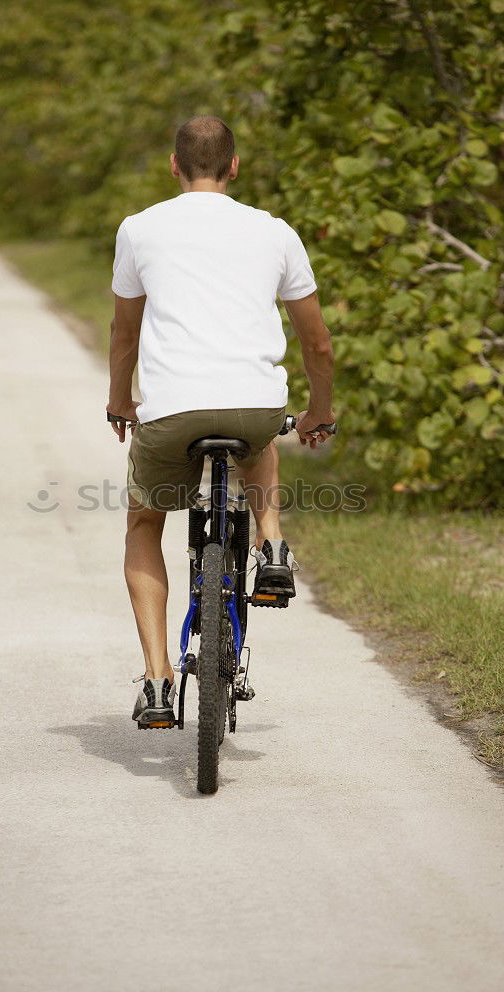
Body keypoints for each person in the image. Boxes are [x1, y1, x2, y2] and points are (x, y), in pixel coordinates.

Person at [106, 115, 335, 726]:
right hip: (254, 405)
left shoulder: (140, 228)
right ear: (234, 167)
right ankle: (275, 545)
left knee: (144, 521)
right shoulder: (275, 232)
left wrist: (118, 402)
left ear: (174, 166)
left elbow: (124, 333)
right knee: (262, 436)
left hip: (171, 408)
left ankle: (157, 682)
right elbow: (317, 344)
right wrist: (320, 411)